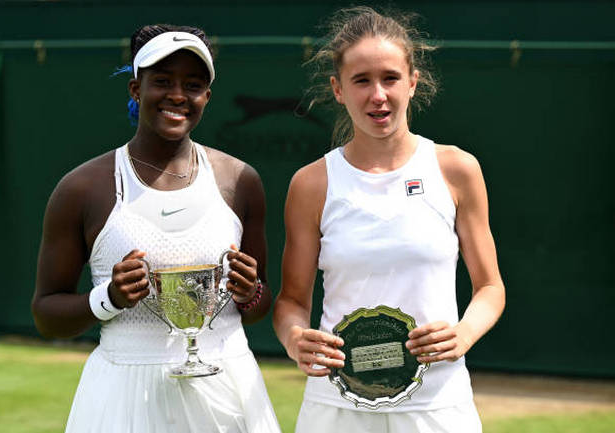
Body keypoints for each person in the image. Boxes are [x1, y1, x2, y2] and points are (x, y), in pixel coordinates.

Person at [32, 23, 281, 433]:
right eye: (162, 81)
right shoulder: (81, 189)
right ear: (135, 89)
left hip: (227, 384)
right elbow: (46, 314)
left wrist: (250, 291)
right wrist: (109, 298)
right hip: (124, 393)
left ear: (207, 97)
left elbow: (259, 305)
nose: (178, 95)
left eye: (193, 85)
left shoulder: (241, 181)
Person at [273, 6, 505, 433]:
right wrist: (294, 338)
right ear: (338, 89)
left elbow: (490, 288)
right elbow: (291, 301)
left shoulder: (457, 169)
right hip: (335, 408)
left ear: (412, 82)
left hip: (438, 405)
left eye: (390, 78)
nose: (377, 95)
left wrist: (465, 333)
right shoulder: (311, 184)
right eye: (361, 80)